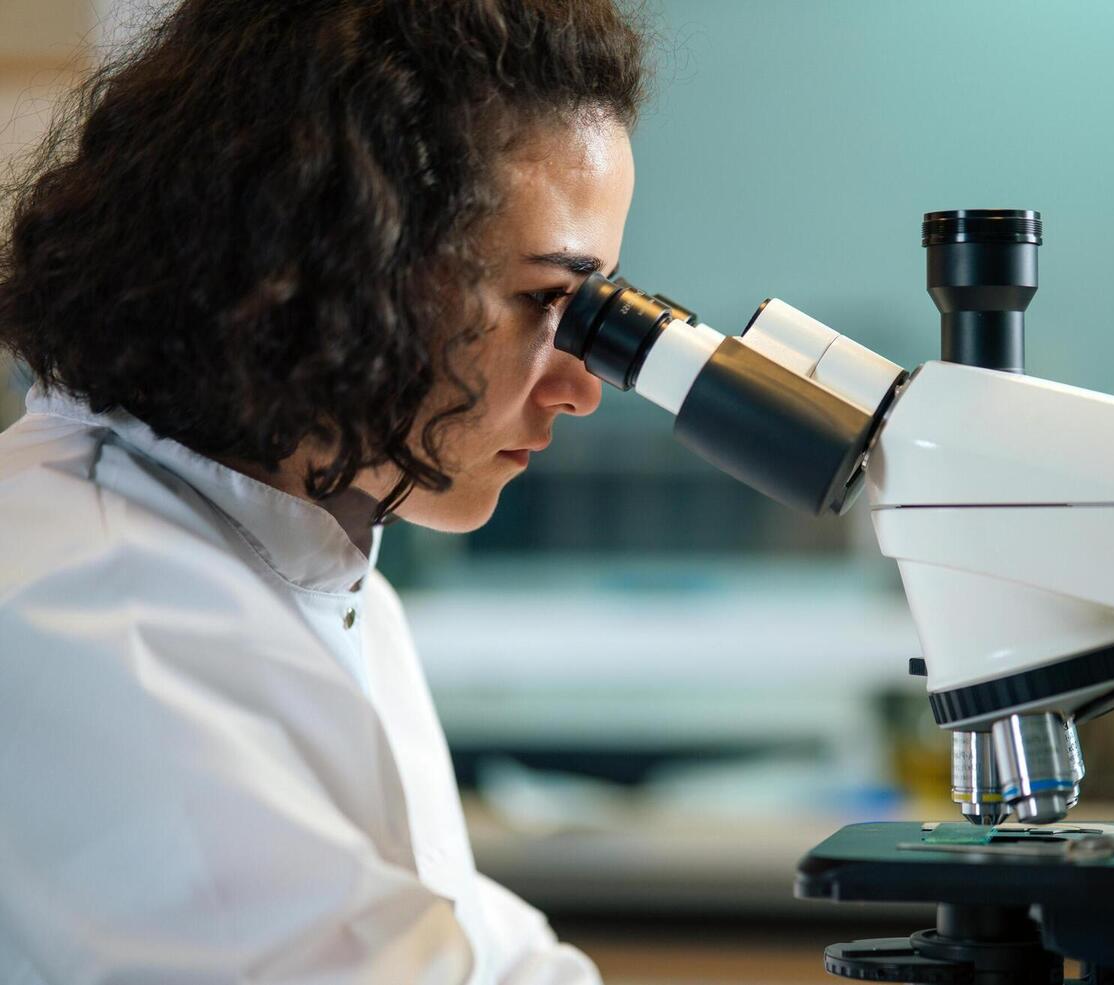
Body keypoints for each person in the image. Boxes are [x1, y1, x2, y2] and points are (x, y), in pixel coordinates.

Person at [0, 1, 642, 981]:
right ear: (338, 266)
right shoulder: (101, 612)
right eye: (544, 300)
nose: (584, 386)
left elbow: (492, 958)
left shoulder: (318, 573)